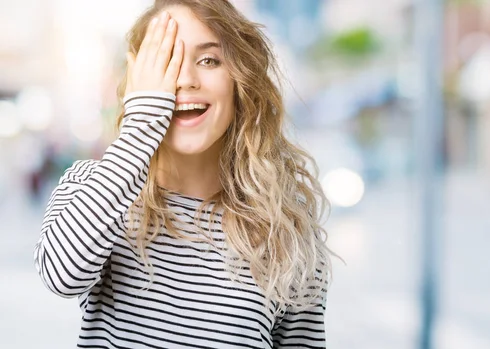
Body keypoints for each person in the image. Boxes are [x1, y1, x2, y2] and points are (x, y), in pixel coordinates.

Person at [34, 1, 334, 348]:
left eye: (208, 60)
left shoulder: (286, 225)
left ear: (240, 82)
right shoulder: (93, 187)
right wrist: (143, 121)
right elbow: (60, 276)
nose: (186, 80)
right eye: (166, 61)